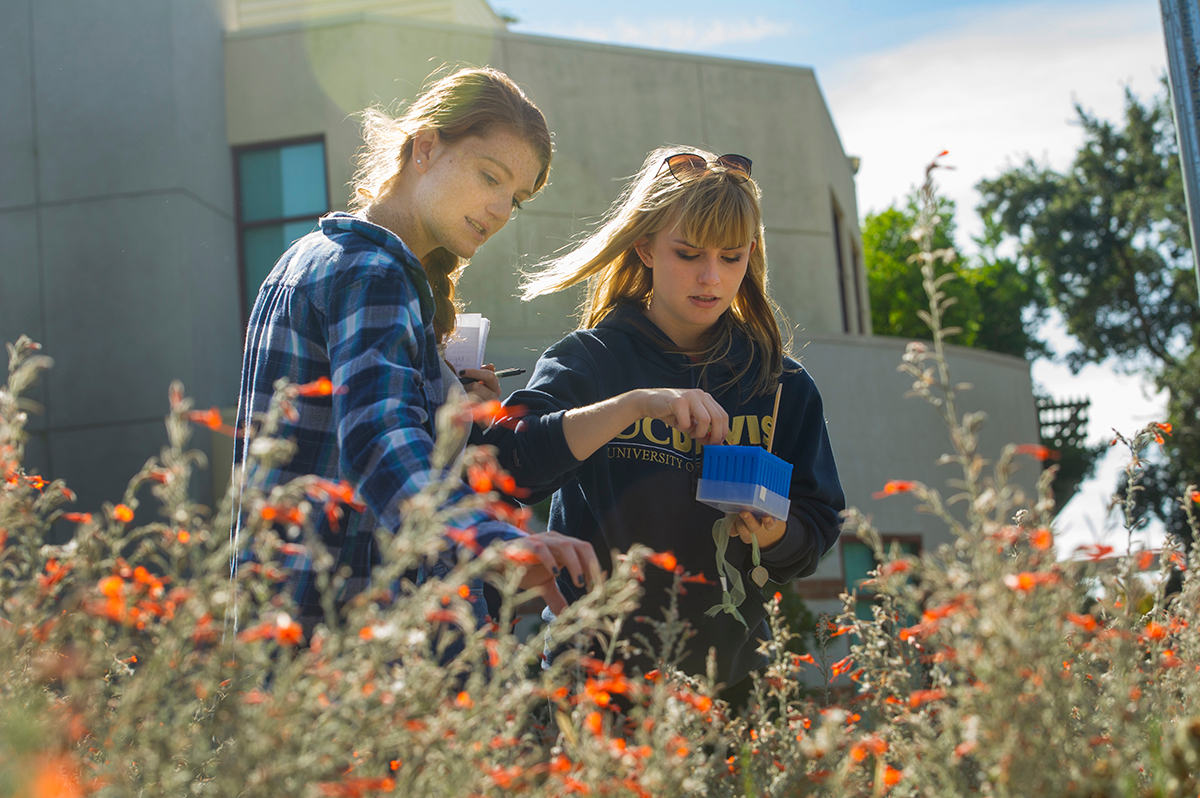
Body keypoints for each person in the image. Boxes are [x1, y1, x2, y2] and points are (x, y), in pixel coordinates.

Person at [231, 66, 600, 637]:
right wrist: (493, 543)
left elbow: (346, 433)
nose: (501, 210)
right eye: (489, 176)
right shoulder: (375, 273)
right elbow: (378, 439)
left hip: (286, 638)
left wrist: (448, 416)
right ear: (425, 147)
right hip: (361, 651)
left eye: (516, 199)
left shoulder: (310, 256)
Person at [482, 147, 845, 707]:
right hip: (599, 685)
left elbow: (816, 529)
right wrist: (634, 405)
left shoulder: (781, 385)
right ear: (645, 246)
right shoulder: (590, 360)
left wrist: (775, 532)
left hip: (737, 690)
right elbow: (508, 465)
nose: (710, 277)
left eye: (731, 257)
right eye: (688, 253)